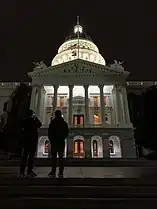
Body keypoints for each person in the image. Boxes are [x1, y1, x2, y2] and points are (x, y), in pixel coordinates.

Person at [20, 109, 42, 177]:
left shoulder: (24, 120)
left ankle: (22, 171)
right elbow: (39, 124)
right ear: (32, 114)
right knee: (30, 157)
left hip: (26, 141)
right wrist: (35, 118)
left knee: (24, 157)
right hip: (31, 141)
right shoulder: (33, 120)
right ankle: (29, 171)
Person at [48, 110, 69, 178]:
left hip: (54, 142)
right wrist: (63, 138)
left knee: (54, 158)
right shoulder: (64, 123)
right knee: (61, 158)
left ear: (55, 115)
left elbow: (49, 132)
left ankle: (53, 172)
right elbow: (66, 132)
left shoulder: (53, 122)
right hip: (60, 142)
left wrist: (51, 140)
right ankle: (60, 172)